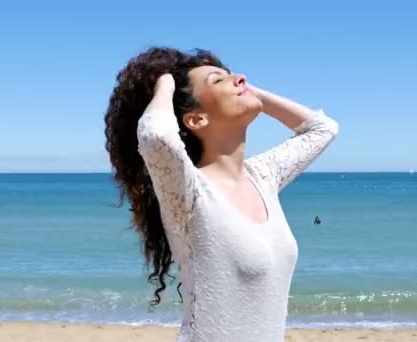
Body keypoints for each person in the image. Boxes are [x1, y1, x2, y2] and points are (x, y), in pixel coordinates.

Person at [104, 47, 338, 341]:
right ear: (196, 119)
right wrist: (164, 81)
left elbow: (322, 129)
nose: (240, 79)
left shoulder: (262, 177)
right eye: (218, 81)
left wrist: (248, 91)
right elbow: (156, 136)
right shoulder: (189, 189)